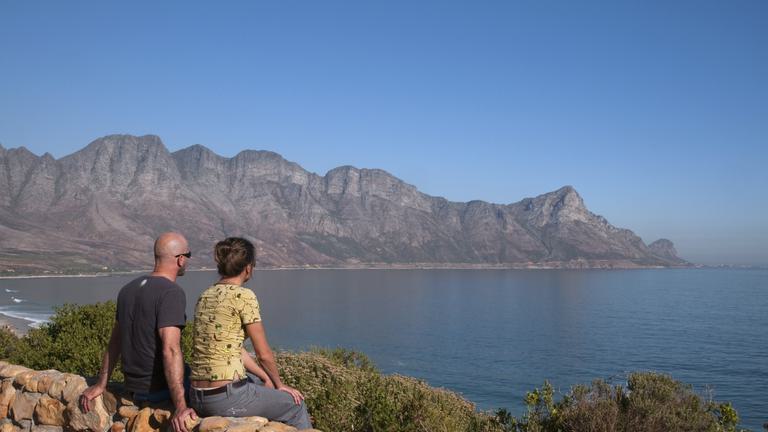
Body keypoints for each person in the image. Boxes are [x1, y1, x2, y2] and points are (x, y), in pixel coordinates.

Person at [189, 237, 311, 429]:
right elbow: (263, 354)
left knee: (258, 381)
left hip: (196, 396)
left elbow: (234, 349)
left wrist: (265, 377)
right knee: (295, 405)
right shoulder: (244, 296)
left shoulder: (205, 295)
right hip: (226, 398)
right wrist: (279, 384)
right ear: (248, 267)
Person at [80, 232, 197, 432]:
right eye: (188, 255)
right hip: (157, 391)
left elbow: (115, 342)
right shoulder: (171, 293)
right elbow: (171, 349)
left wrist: (101, 384)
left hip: (133, 388)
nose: (187, 260)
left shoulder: (127, 289)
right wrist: (180, 406)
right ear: (180, 259)